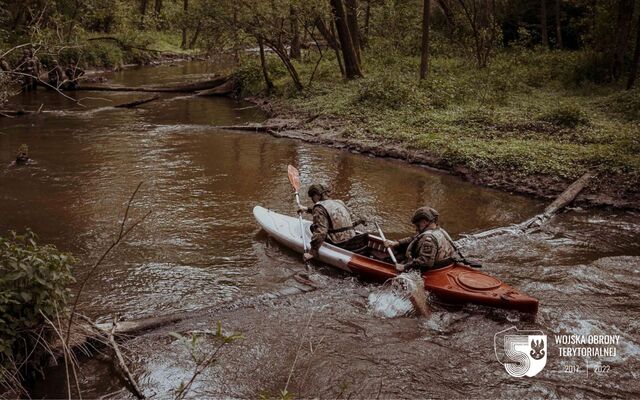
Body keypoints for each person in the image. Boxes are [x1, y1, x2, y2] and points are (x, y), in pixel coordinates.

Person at [298, 183, 365, 262]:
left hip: (339, 243)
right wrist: (307, 209)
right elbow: (330, 215)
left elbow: (321, 232)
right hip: (353, 238)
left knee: (313, 227)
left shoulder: (319, 208)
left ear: (316, 195)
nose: (312, 200)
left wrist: (312, 252)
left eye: (312, 197)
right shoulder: (339, 202)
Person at [385, 206, 458, 272]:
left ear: (424, 222)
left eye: (417, 225)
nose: (416, 228)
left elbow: (425, 262)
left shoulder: (429, 239)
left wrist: (404, 267)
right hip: (446, 265)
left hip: (433, 271)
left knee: (388, 260)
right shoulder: (439, 230)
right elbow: (415, 238)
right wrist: (397, 243)